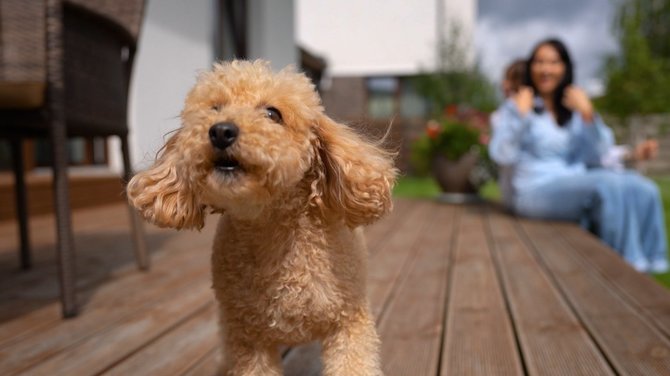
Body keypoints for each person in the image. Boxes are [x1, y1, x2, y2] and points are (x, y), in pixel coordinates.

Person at [489, 38, 668, 273]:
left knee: (643, 188)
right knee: (607, 184)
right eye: (539, 62)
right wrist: (520, 117)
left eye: (553, 62)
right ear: (531, 67)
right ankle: (627, 267)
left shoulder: (572, 111)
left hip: (572, 182)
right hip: (533, 191)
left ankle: (656, 263)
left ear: (564, 68)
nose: (545, 69)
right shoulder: (518, 106)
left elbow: (598, 155)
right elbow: (501, 155)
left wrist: (588, 114)